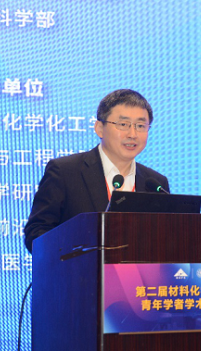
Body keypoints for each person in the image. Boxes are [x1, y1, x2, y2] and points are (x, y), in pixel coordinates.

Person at [24, 89, 169, 253]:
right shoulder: (64, 171)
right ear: (99, 128)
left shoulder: (156, 184)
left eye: (141, 126)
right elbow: (36, 233)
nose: (132, 134)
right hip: (77, 269)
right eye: (123, 124)